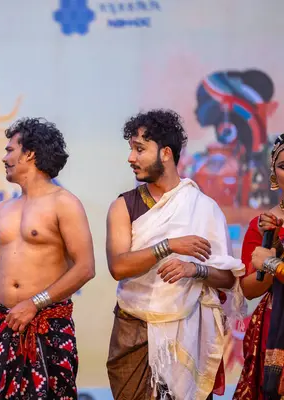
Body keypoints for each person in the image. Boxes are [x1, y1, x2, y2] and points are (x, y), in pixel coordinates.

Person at [105, 109, 245, 400]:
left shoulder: (203, 207)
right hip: (133, 329)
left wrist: (195, 270)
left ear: (165, 153)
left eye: (139, 149)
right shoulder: (124, 206)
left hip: (188, 332)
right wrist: (168, 245)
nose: (131, 158)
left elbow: (228, 279)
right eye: (131, 149)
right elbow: (118, 267)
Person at [0, 117, 95, 399]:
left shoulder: (65, 203)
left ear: (30, 153)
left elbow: (85, 268)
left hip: (45, 329)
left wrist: (34, 303)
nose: (4, 157)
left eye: (10, 150)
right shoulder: (3, 209)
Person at [244, 133, 284, 400]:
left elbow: (266, 264)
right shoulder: (264, 224)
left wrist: (271, 263)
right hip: (277, 326)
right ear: (273, 173)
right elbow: (248, 289)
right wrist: (271, 257)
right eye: (283, 167)